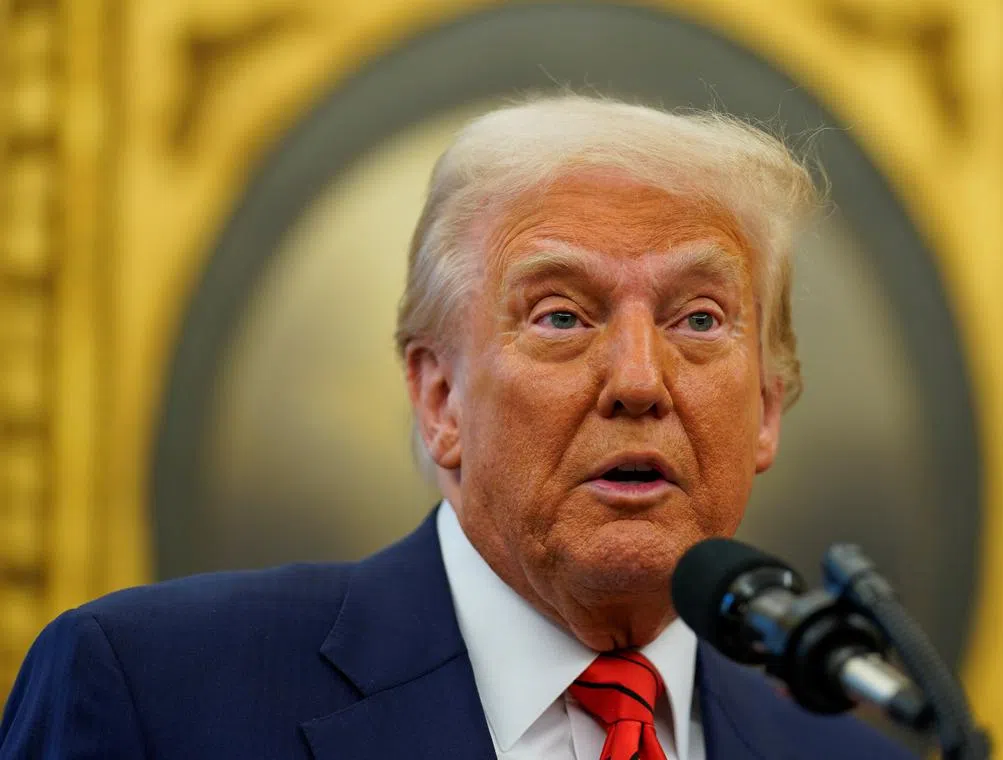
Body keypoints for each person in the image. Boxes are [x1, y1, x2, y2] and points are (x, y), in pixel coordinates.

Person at [0, 95, 914, 759]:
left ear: (766, 410)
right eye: (562, 315)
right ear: (440, 398)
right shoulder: (152, 691)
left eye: (700, 319)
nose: (640, 380)